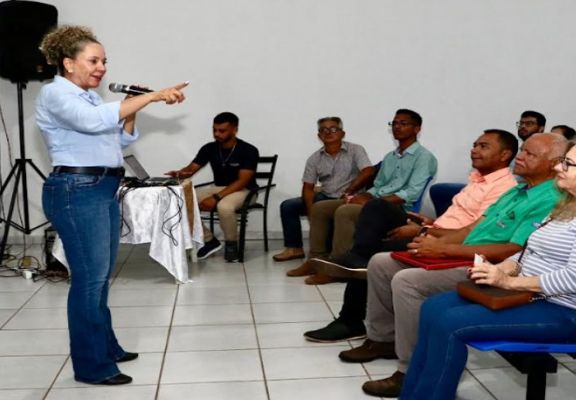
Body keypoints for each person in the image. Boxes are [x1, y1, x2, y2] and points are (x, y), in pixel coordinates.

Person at [400, 136, 576, 399]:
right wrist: (505, 268)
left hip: (568, 312)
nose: (558, 167)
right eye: (562, 161)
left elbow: (575, 279)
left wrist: (507, 282)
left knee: (450, 322)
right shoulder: (572, 205)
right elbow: (529, 250)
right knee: (433, 307)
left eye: (568, 164)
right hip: (533, 296)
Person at [337, 134, 568, 398]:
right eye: (522, 150)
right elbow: (470, 230)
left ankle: (409, 370)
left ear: (554, 163)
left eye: (529, 154)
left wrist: (444, 249)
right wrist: (431, 241)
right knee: (381, 262)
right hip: (466, 253)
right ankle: (383, 340)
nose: (520, 157)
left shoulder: (551, 198)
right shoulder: (516, 191)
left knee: (407, 281)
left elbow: (514, 250)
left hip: (493, 267)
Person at [36, 25, 187, 385]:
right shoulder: (55, 93)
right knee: (89, 281)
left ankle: (107, 347)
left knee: (100, 278)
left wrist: (133, 108)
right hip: (76, 190)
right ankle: (91, 366)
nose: (102, 67)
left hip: (102, 188)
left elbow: (118, 138)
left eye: (104, 61)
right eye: (94, 61)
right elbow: (92, 123)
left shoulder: (88, 98)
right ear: (68, 63)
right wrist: (151, 98)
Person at [302, 130, 527, 344]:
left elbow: (472, 234)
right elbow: (457, 220)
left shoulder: (504, 189)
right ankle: (357, 260)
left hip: (444, 243)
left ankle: (351, 318)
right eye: (475, 145)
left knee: (374, 255)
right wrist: (427, 223)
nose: (474, 150)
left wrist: (423, 231)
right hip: (434, 230)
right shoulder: (477, 179)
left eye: (483, 146)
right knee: (377, 207)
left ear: (504, 155)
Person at [286, 109, 437, 284]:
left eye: (403, 123)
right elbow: (378, 186)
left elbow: (411, 194)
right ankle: (316, 260)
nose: (397, 127)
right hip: (375, 204)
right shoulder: (390, 157)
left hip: (399, 210)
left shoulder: (424, 157)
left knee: (345, 211)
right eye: (394, 123)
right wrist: (362, 196)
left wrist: (371, 201)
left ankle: (338, 268)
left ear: (417, 129)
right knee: (320, 208)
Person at [272, 117, 374, 262]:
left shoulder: (356, 150)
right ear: (319, 136)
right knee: (288, 206)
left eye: (333, 129)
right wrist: (310, 212)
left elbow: (368, 171)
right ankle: (294, 248)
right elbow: (308, 188)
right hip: (325, 195)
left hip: (351, 197)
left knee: (330, 237)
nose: (328, 132)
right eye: (323, 130)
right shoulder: (314, 158)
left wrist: (349, 190)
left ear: (342, 133)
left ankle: (331, 254)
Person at [166, 112, 259, 262]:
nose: (217, 134)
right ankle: (209, 240)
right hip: (219, 188)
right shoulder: (209, 148)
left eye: (222, 131)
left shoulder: (248, 150)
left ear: (235, 130)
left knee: (224, 206)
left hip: (245, 190)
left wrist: (216, 198)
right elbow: (191, 169)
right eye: (214, 130)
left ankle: (232, 245)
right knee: (182, 200)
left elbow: (242, 181)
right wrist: (180, 173)